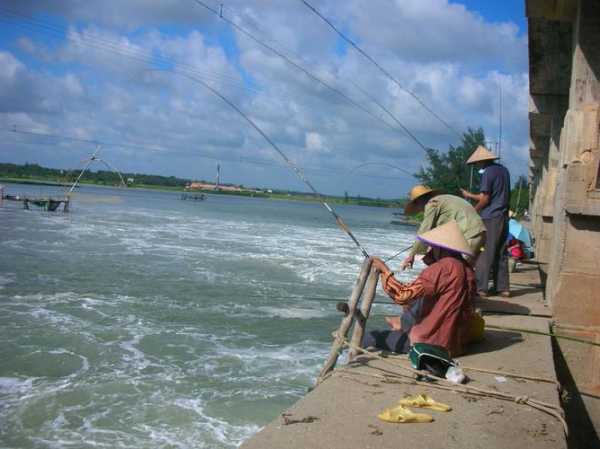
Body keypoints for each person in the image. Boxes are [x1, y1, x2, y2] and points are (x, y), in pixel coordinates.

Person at [363, 220, 477, 357]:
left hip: (432, 345)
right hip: (457, 343)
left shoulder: (442, 268)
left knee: (369, 337)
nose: (429, 250)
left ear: (441, 248)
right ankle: (403, 323)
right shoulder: (467, 268)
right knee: (417, 304)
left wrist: (384, 270)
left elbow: (402, 295)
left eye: (432, 247)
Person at [460, 145, 511, 298]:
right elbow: (493, 195)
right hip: (503, 215)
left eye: (476, 163)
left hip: (490, 217)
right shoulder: (503, 170)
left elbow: (485, 199)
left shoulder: (487, 172)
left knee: (485, 252)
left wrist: (473, 211)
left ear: (481, 161)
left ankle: (481, 288)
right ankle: (503, 288)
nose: (476, 166)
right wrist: (470, 195)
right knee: (501, 252)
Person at [401, 185, 486, 269]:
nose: (421, 210)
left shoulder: (432, 203)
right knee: (465, 270)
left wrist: (411, 255)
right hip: (480, 231)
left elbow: (424, 229)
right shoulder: (443, 200)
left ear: (419, 201)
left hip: (470, 234)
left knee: (457, 269)